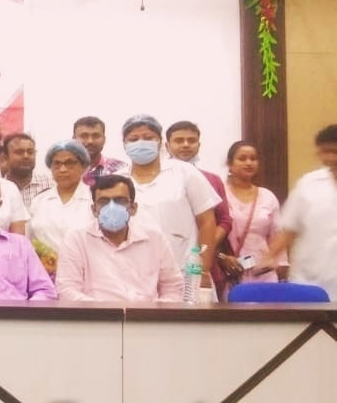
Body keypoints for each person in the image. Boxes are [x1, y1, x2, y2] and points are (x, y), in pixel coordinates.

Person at [116, 115, 220, 292]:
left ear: (160, 141)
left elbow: (207, 222)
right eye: (133, 139)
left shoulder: (184, 172)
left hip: (184, 270)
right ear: (124, 144)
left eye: (148, 138)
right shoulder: (118, 179)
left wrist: (203, 269)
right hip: (132, 274)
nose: (141, 143)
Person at [55, 175, 184, 302]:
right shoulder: (77, 238)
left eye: (120, 201)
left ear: (133, 208)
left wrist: (153, 311)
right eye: (104, 202)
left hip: (147, 313)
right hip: (95, 314)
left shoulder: (154, 238)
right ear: (94, 210)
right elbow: (67, 290)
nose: (112, 208)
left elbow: (172, 287)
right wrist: (105, 311)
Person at [165, 120, 238, 296]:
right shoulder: (160, 180)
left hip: (203, 258)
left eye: (191, 140)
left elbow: (224, 220)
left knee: (199, 303)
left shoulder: (212, 179)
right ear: (167, 146)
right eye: (179, 140)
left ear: (199, 145)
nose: (185, 145)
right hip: (169, 254)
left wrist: (203, 246)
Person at [268, 124, 337, 296]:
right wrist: (269, 256)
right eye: (325, 152)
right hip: (308, 280)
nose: (330, 157)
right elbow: (289, 229)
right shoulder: (308, 184)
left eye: (334, 151)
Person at [27, 140, 94, 277]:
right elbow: (28, 240)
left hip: (87, 273)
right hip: (45, 274)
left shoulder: (94, 199)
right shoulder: (39, 201)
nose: (62, 169)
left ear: (83, 166)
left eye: (70, 163)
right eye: (56, 164)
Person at [223, 141, 286, 283]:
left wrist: (281, 267)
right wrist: (221, 258)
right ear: (230, 164)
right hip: (230, 270)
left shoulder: (267, 196)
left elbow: (277, 235)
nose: (249, 163)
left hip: (263, 271)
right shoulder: (220, 193)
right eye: (242, 158)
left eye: (253, 158)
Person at [1, 133, 54, 210]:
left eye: (30, 152)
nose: (26, 156)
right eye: (19, 152)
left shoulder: (51, 184)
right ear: (5, 157)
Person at [73, 116, 128, 186]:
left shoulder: (120, 168)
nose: (90, 141)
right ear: (73, 139)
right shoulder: (63, 169)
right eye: (84, 136)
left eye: (96, 136)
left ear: (104, 139)